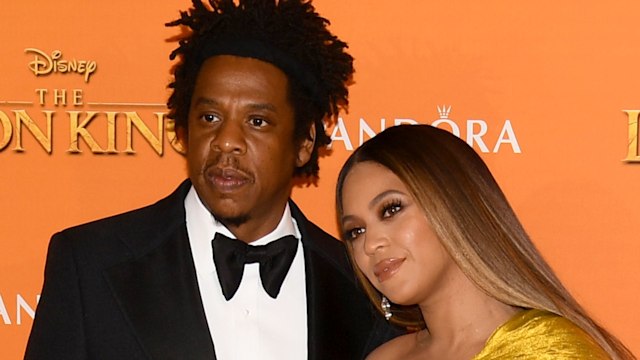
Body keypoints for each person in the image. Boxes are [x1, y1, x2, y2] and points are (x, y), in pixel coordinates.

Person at [24, 1, 401, 359]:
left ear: (303, 144)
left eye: (257, 121)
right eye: (209, 118)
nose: (226, 141)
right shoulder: (90, 263)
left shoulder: (363, 289)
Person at [336, 124, 635, 359]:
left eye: (391, 209)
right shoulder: (384, 357)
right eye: (355, 231)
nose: (370, 244)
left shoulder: (553, 352)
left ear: (453, 205)